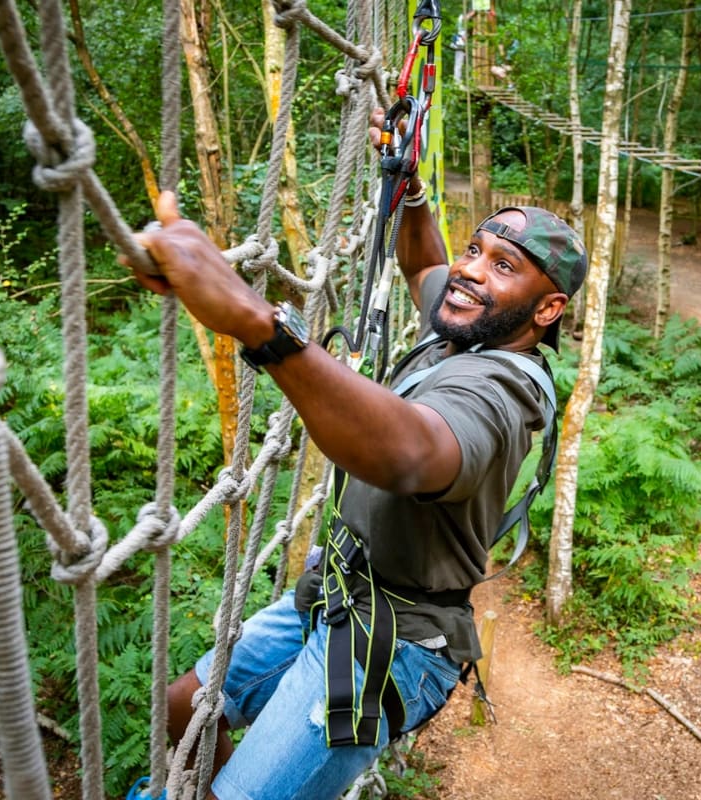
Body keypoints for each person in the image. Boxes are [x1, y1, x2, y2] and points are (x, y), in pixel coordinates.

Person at [123, 108, 588, 800]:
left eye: (503, 265)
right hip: (334, 589)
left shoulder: (504, 388)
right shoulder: (466, 324)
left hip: (394, 643)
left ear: (546, 310)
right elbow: (426, 262)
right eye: (476, 249)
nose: (469, 271)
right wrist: (414, 189)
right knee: (185, 706)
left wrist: (254, 319)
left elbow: (411, 453)